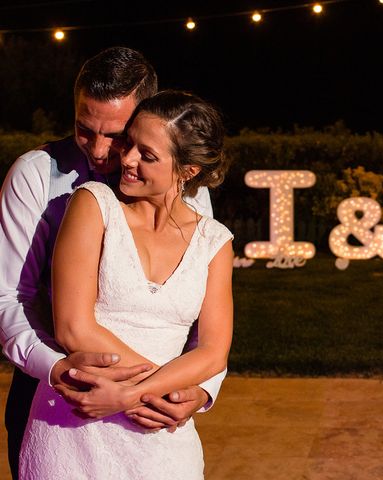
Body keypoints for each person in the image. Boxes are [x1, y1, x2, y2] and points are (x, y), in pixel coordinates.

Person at [0, 47, 226, 479]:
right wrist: (56, 367)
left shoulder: (190, 196)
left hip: (159, 414)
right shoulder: (35, 176)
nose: (103, 152)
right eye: (85, 131)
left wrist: (198, 389)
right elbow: (11, 297)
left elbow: (203, 312)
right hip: (62, 391)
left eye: (119, 135)